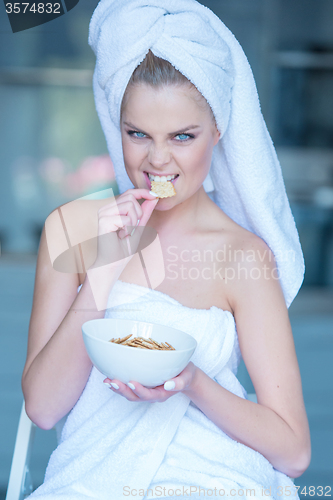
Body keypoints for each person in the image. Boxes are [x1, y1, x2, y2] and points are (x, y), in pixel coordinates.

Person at [22, 1, 311, 498]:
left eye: (182, 136)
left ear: (217, 132)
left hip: (213, 482)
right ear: (118, 128)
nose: (158, 160)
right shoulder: (71, 228)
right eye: (138, 134)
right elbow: (44, 408)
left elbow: (293, 452)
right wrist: (104, 269)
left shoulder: (243, 256)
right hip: (92, 483)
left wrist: (193, 384)